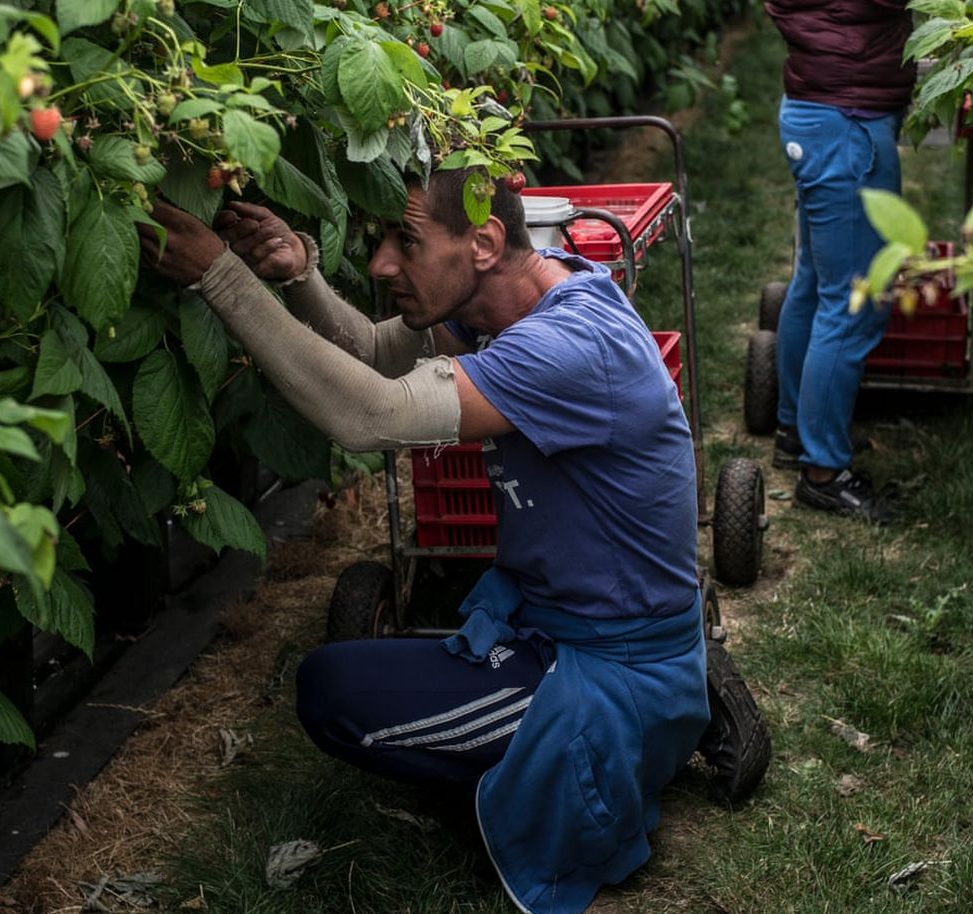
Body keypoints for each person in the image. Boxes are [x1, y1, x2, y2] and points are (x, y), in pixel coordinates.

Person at [138, 172, 717, 914]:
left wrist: (219, 275)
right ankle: (651, 714)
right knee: (353, 680)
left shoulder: (569, 347)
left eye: (405, 241)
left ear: (483, 244)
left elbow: (369, 413)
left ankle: (620, 746)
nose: (382, 264)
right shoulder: (524, 294)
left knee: (333, 691)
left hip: (610, 667)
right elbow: (382, 353)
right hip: (573, 627)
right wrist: (300, 277)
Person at [764, 0, 916, 523]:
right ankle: (823, 472)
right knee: (853, 302)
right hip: (846, 121)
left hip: (818, 107)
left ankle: (793, 429)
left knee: (815, 284)